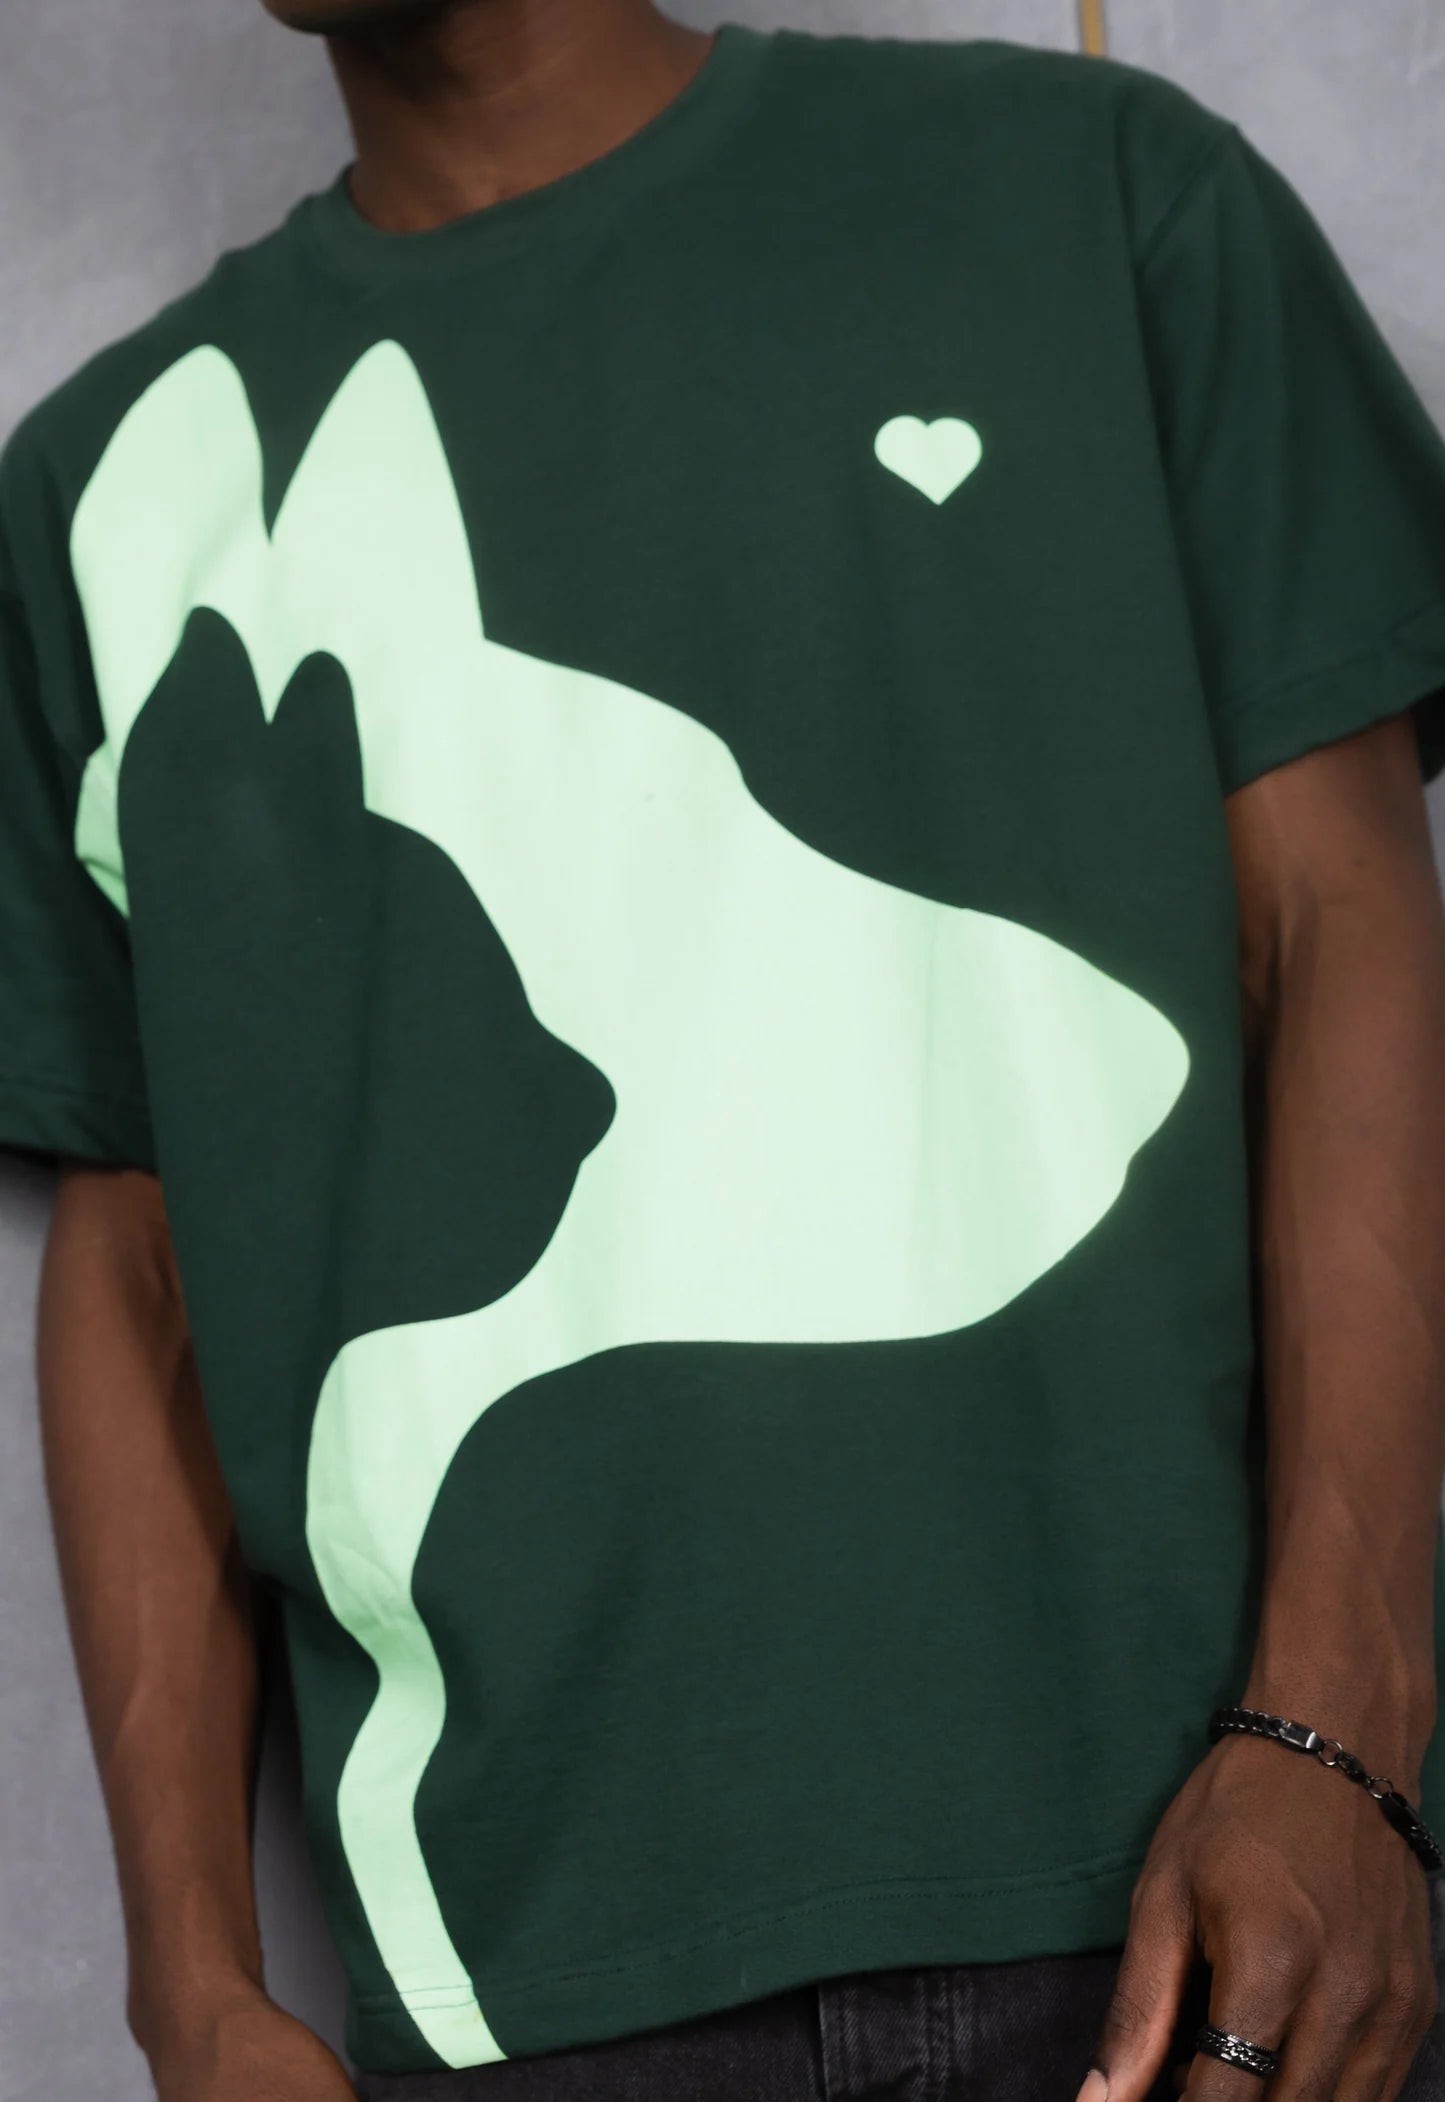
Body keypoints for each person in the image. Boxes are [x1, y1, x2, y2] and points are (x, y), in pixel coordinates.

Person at [6, 0, 1445, 2095]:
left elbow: (1345, 935)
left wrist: (1338, 1732)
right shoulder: (104, 501)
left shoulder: (1100, 202)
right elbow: (141, 1254)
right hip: (523, 1984)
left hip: (1190, 1892)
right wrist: (193, 1986)